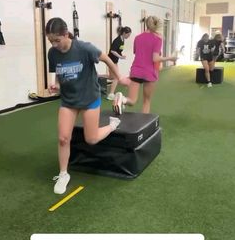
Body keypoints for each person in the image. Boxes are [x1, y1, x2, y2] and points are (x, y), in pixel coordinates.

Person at [45, 17, 128, 194]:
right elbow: (59, 74)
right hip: (68, 101)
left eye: (56, 40)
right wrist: (57, 86)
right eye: (50, 41)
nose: (54, 45)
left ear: (66, 34)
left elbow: (107, 59)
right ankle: (63, 173)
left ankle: (113, 125)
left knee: (91, 139)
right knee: (63, 138)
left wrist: (118, 77)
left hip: (90, 98)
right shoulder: (52, 53)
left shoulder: (84, 48)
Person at [112, 16, 177, 115]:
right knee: (146, 101)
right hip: (149, 72)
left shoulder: (137, 37)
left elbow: (136, 53)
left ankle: (123, 99)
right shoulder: (158, 39)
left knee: (132, 100)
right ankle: (144, 124)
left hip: (136, 71)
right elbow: (155, 58)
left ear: (146, 24)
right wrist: (170, 58)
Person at [107, 26, 132, 100]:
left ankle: (98, 79)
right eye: (128, 35)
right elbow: (112, 51)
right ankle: (111, 94)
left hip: (114, 61)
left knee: (112, 77)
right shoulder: (117, 40)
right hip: (111, 60)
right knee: (116, 77)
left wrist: (121, 55)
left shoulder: (122, 40)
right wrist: (120, 57)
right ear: (124, 33)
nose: (129, 36)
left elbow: (118, 51)